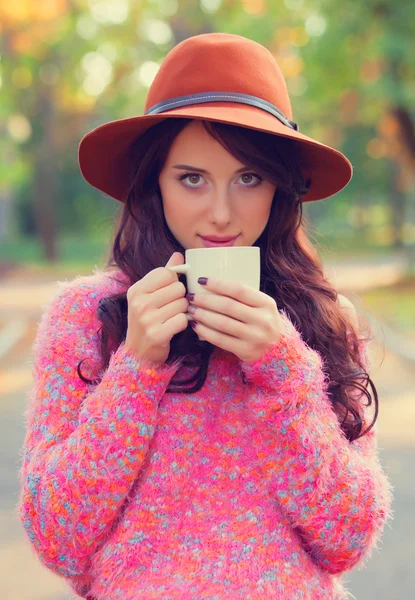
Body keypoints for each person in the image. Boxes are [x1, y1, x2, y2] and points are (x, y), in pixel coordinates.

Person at [17, 33, 394, 600]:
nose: (221, 212)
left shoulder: (322, 320)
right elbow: (57, 540)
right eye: (191, 178)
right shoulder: (87, 318)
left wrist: (283, 370)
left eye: (249, 178)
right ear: (154, 185)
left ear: (280, 190)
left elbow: (347, 538)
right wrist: (136, 369)